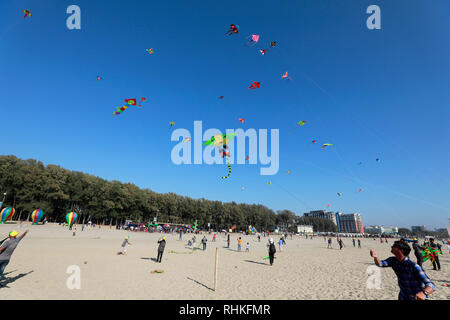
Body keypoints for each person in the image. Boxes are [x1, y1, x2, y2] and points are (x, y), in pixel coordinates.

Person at [369, 240, 436, 300]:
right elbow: (380, 263)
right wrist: (375, 257)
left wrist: (424, 293)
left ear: (401, 250)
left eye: (394, 246)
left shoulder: (413, 266)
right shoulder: (393, 260)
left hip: (416, 297)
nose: (391, 247)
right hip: (403, 296)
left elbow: (431, 285)